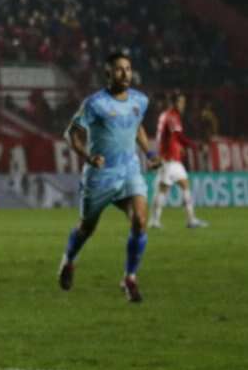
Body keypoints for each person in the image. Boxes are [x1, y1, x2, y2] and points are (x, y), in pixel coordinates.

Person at [57, 52, 161, 302]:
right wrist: (88, 156)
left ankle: (129, 278)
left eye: (128, 68)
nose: (125, 73)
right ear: (108, 73)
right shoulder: (94, 104)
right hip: (100, 176)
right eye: (119, 69)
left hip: (130, 171)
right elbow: (71, 134)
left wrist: (149, 153)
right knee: (87, 228)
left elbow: (137, 126)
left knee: (140, 221)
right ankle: (68, 260)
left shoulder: (140, 100)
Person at [149, 91, 208, 229]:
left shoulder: (165, 115)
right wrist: (195, 146)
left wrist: (177, 147)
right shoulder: (172, 116)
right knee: (163, 189)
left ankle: (190, 219)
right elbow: (178, 135)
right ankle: (155, 221)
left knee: (183, 185)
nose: (183, 105)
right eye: (181, 102)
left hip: (171, 158)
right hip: (169, 159)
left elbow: (170, 137)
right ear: (174, 102)